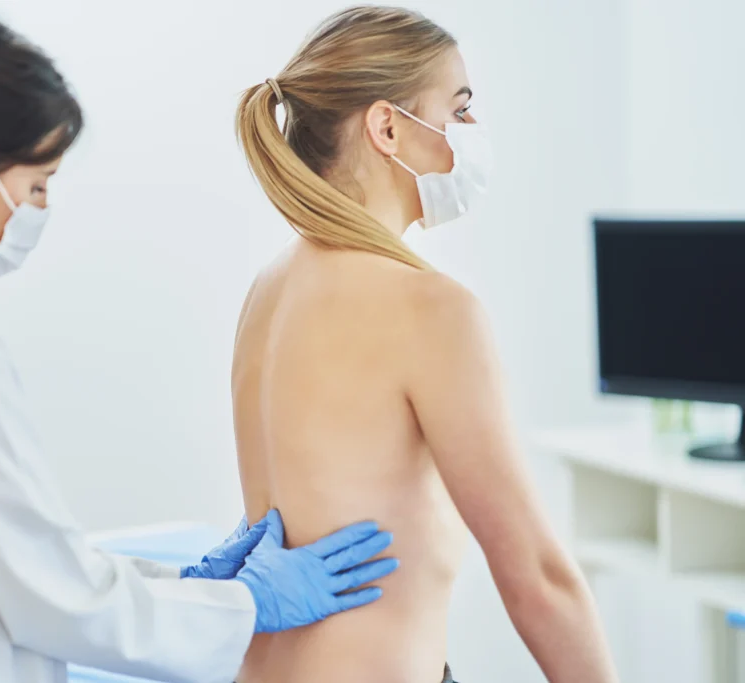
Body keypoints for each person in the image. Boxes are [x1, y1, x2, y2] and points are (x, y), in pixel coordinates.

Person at [0, 6, 402, 683]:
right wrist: (242, 603)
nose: (38, 211)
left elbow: (9, 562)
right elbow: (53, 598)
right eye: (36, 186)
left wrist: (190, 583)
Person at [231, 6, 620, 683]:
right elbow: (536, 575)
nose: (471, 132)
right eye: (459, 109)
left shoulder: (266, 291)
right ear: (387, 127)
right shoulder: (430, 309)